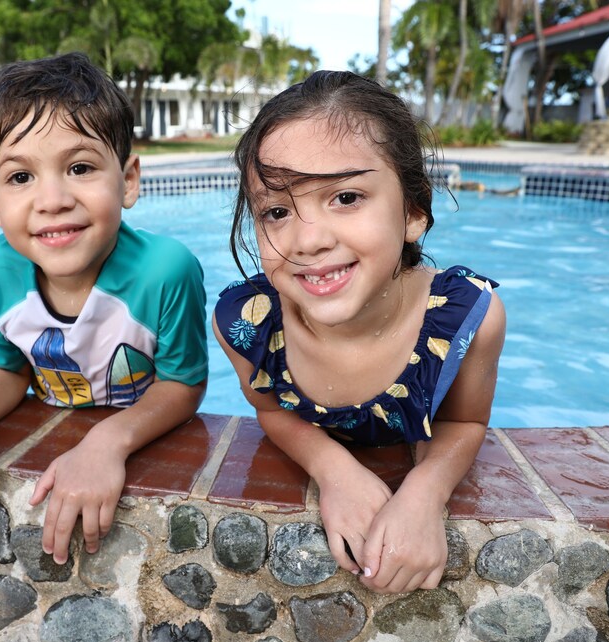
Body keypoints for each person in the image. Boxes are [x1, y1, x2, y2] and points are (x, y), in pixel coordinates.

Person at [213, 70, 505, 594]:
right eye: (277, 211)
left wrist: (425, 491)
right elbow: (270, 409)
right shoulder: (247, 324)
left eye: (345, 198)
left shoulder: (463, 321)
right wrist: (333, 471)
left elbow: (463, 422)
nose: (308, 240)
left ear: (414, 212)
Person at [0, 53, 208, 565]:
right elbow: (4, 367)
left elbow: (182, 385)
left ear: (129, 179)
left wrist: (108, 442)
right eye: (20, 178)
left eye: (79, 168)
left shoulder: (166, 271)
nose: (51, 200)